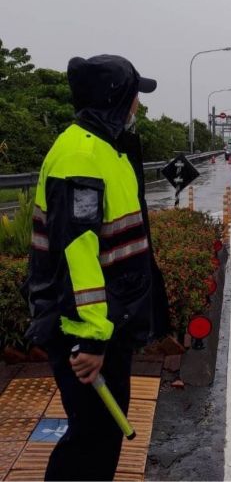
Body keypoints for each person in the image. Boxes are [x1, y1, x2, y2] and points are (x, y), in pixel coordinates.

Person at [22, 54, 170, 481]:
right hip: (85, 330)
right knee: (90, 443)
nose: (138, 106)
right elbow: (77, 254)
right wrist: (89, 339)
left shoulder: (105, 148)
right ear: (116, 97)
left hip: (106, 324)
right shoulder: (81, 157)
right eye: (134, 95)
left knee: (98, 438)